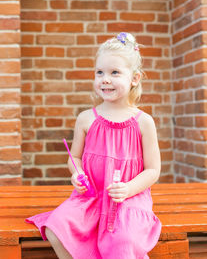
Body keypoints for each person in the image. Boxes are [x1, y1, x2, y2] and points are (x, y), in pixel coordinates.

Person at [25, 32, 162, 259]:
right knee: (56, 228)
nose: (105, 79)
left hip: (126, 198)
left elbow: (153, 170)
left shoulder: (144, 122)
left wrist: (129, 189)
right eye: (100, 72)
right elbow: (74, 156)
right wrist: (77, 173)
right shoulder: (86, 118)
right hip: (91, 196)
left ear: (134, 78)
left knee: (122, 239)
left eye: (114, 72)